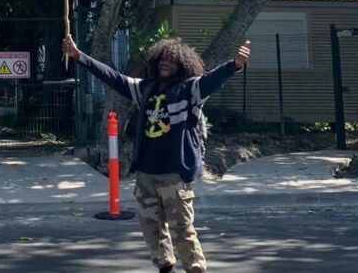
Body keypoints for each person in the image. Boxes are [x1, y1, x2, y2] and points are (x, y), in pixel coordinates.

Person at [62, 35, 250, 273]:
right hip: (146, 174)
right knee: (151, 227)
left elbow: (212, 80)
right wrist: (79, 56)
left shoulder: (189, 90)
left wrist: (234, 65)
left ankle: (195, 269)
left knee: (182, 229)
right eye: (162, 59)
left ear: (182, 64)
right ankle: (165, 266)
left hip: (174, 174)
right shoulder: (145, 89)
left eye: (171, 59)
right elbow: (113, 78)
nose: (165, 62)